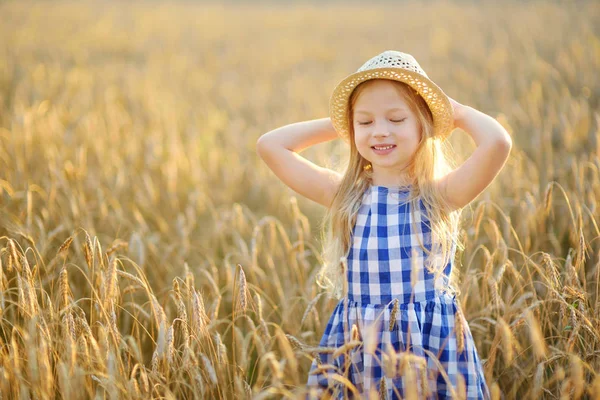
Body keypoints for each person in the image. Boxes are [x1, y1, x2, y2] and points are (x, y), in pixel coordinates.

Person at [256, 50, 511, 399]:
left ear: (424, 124)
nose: (379, 131)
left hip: (428, 349)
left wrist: (457, 113)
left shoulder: (440, 196)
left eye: (395, 119)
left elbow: (498, 143)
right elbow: (270, 145)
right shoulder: (345, 195)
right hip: (359, 348)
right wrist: (343, 123)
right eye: (365, 123)